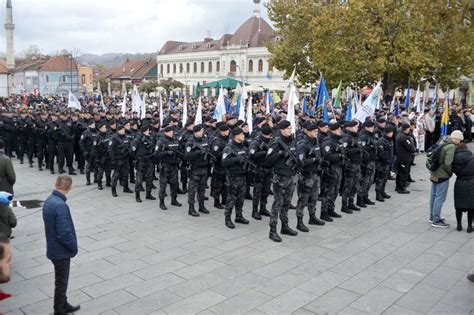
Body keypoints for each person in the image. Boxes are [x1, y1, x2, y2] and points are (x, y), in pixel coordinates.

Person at [42, 175, 80, 315]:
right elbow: (64, 233)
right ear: (70, 188)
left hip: (53, 248)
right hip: (60, 252)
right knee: (61, 282)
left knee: (61, 280)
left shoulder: (50, 200)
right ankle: (59, 310)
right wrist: (73, 247)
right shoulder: (60, 205)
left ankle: (64, 304)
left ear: (55, 183)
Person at [265, 120, 299, 242]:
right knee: (277, 204)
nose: (291, 130)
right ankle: (272, 230)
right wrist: (280, 153)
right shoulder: (276, 142)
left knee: (287, 203)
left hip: (291, 176)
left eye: (291, 128)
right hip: (280, 177)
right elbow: (268, 161)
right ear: (282, 129)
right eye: (288, 128)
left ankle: (285, 226)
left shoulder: (292, 141)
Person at [429, 130, 463, 228]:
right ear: (456, 139)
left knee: (433, 196)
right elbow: (448, 163)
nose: (459, 143)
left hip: (434, 172)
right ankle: (436, 220)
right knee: (440, 197)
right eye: (459, 140)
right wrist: (449, 173)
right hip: (442, 175)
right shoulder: (451, 146)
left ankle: (432, 216)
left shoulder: (443, 140)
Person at [221, 127, 250, 228]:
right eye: (241, 134)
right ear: (236, 136)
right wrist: (236, 159)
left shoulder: (243, 146)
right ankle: (227, 218)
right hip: (233, 177)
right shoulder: (229, 148)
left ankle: (239, 216)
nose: (243, 136)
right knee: (231, 199)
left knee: (241, 198)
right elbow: (224, 162)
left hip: (242, 176)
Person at [452, 142, 473, 233]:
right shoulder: (472, 158)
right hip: (471, 183)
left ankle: (459, 225)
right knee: (471, 207)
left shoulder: (454, 158)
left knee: (458, 206)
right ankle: (469, 226)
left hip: (459, 182)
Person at [395, 123, 416, 194]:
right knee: (404, 173)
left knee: (400, 173)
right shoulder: (404, 137)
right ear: (407, 129)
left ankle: (398, 186)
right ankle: (401, 188)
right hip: (405, 157)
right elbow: (411, 148)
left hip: (400, 157)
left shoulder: (399, 135)